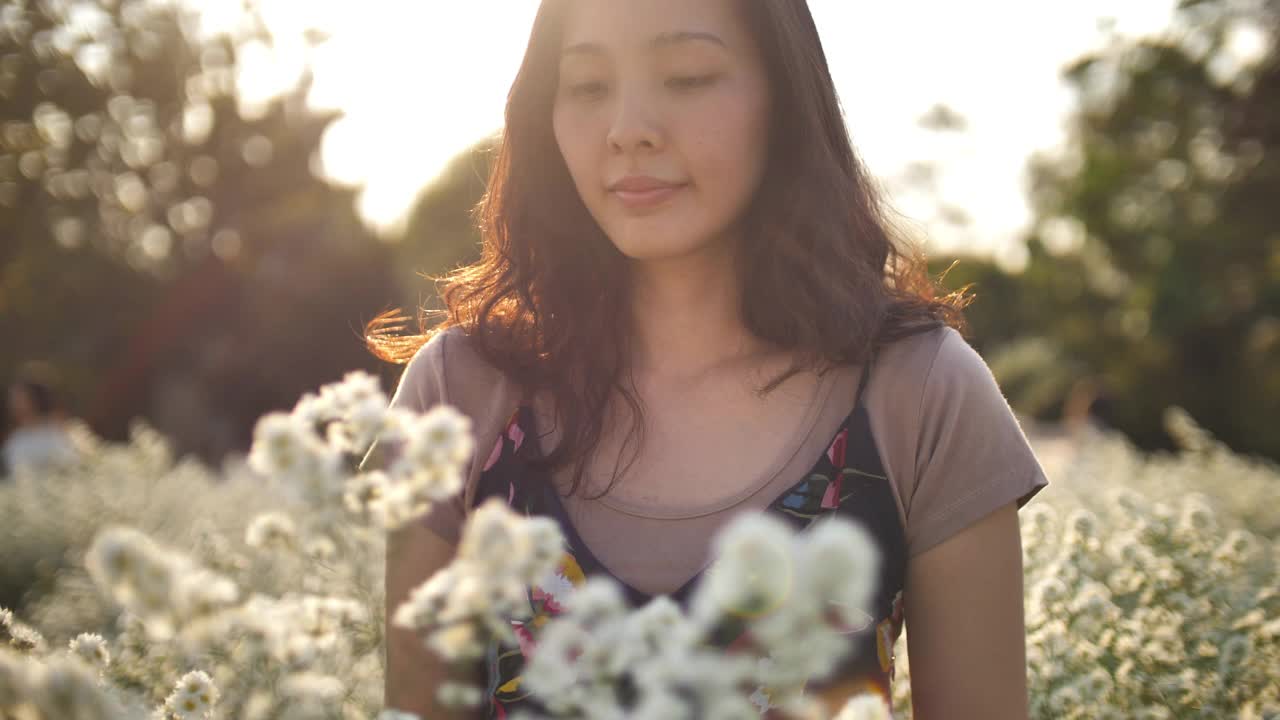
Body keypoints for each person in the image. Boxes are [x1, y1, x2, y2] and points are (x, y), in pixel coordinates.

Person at [366, 1, 1049, 718]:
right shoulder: (459, 397)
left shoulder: (920, 393)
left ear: (784, 97)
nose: (629, 129)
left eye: (687, 77)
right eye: (589, 86)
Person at [2, 367, 79, 477]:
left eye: (19, 398)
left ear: (36, 398)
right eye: (12, 398)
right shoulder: (15, 439)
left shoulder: (60, 431)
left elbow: (72, 466)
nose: (14, 403)